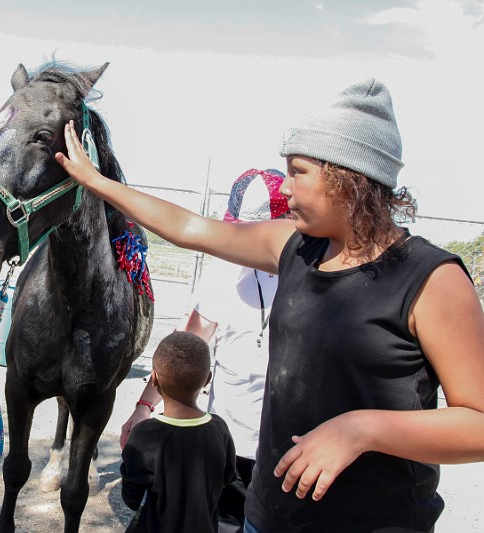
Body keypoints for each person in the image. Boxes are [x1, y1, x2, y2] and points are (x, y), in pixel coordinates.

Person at [56, 78, 484, 531]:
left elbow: (477, 424)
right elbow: (189, 228)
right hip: (267, 517)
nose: (286, 188)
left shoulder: (433, 279)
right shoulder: (294, 247)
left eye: (298, 171)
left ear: (348, 179)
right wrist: (96, 182)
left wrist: (363, 429)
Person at [121, 168, 289, 532]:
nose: (243, 240)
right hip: (230, 442)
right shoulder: (222, 272)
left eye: (255, 232)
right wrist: (143, 405)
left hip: (285, 451)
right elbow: (184, 345)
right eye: (237, 229)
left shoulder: (310, 274)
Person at [121, 331, 237, 533]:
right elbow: (227, 478)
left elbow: (132, 498)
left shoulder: (144, 435)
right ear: (208, 379)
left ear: (154, 379)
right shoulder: (219, 428)